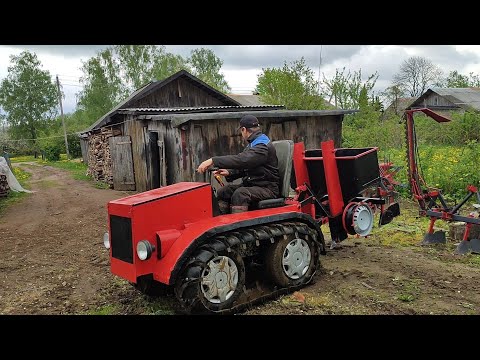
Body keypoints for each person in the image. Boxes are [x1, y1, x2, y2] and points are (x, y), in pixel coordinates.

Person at [197, 114, 280, 214]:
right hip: (255, 185)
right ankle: (221, 221)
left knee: (240, 194)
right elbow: (248, 165)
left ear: (244, 129)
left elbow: (242, 160)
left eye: (241, 131)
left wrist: (213, 160)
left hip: (268, 188)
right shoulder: (254, 144)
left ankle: (237, 227)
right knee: (224, 191)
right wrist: (230, 172)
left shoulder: (262, 146)